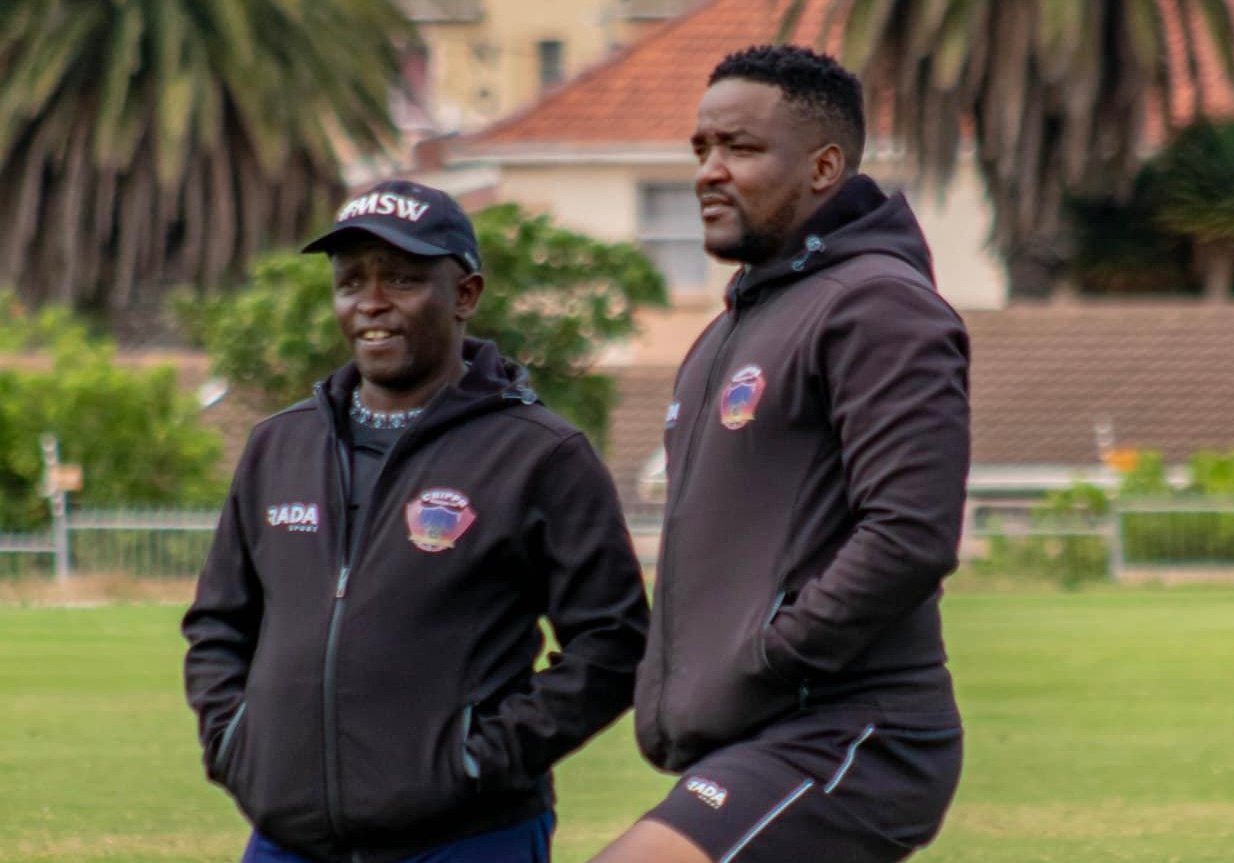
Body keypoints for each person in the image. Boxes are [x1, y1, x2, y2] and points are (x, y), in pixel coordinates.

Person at [182, 179, 650, 863]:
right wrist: (235, 742)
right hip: (287, 841)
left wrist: (477, 759)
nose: (371, 302)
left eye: (402, 279)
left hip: (466, 838)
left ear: (465, 294)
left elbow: (612, 642)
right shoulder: (279, 445)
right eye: (350, 282)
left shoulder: (540, 454)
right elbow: (219, 623)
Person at [592, 45, 971, 863]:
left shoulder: (878, 306)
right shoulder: (728, 332)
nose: (708, 172)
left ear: (825, 166)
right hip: (750, 733)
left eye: (740, 148)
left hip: (851, 732)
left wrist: (770, 655)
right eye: (701, 149)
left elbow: (910, 533)